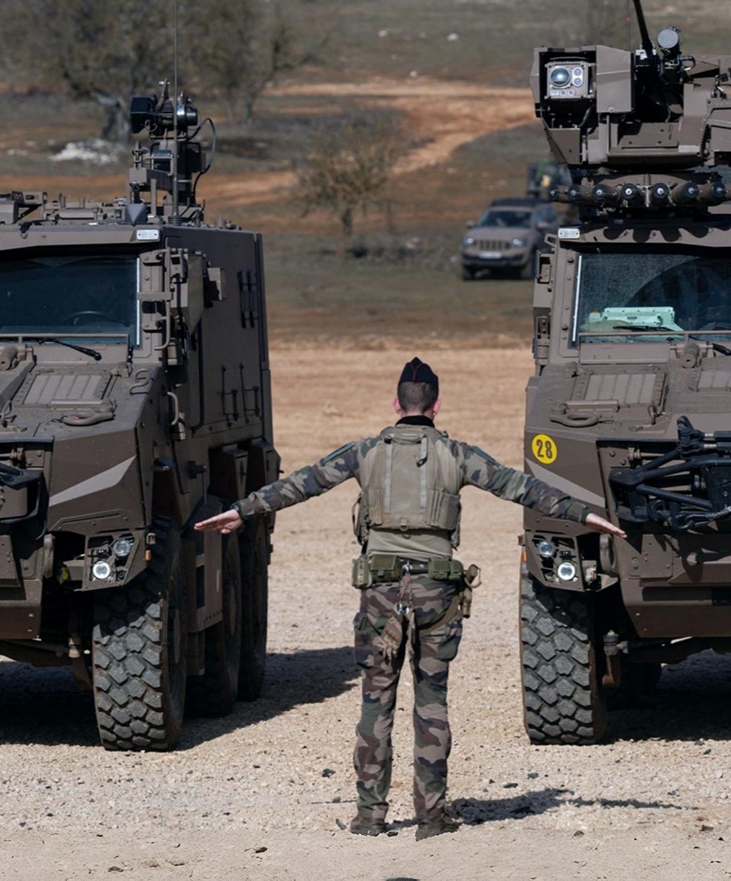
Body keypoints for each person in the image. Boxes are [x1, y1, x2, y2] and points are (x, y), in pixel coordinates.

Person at [196, 357, 625, 839]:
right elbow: (521, 488)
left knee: (375, 702)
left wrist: (241, 510)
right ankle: (431, 817)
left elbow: (302, 484)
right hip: (437, 591)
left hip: (380, 591)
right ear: (436, 407)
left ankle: (369, 816)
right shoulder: (459, 455)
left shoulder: (364, 452)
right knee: (431, 701)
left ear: (396, 405)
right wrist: (584, 515)